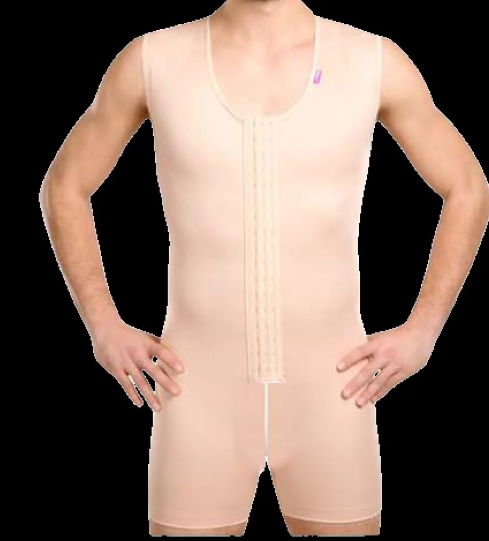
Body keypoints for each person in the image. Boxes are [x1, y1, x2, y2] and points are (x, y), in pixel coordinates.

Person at [39, 0, 488, 537]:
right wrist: (102, 325)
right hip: (195, 396)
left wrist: (424, 331)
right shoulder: (153, 59)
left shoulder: (370, 59)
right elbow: (65, 186)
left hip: (335, 394)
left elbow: (467, 187)